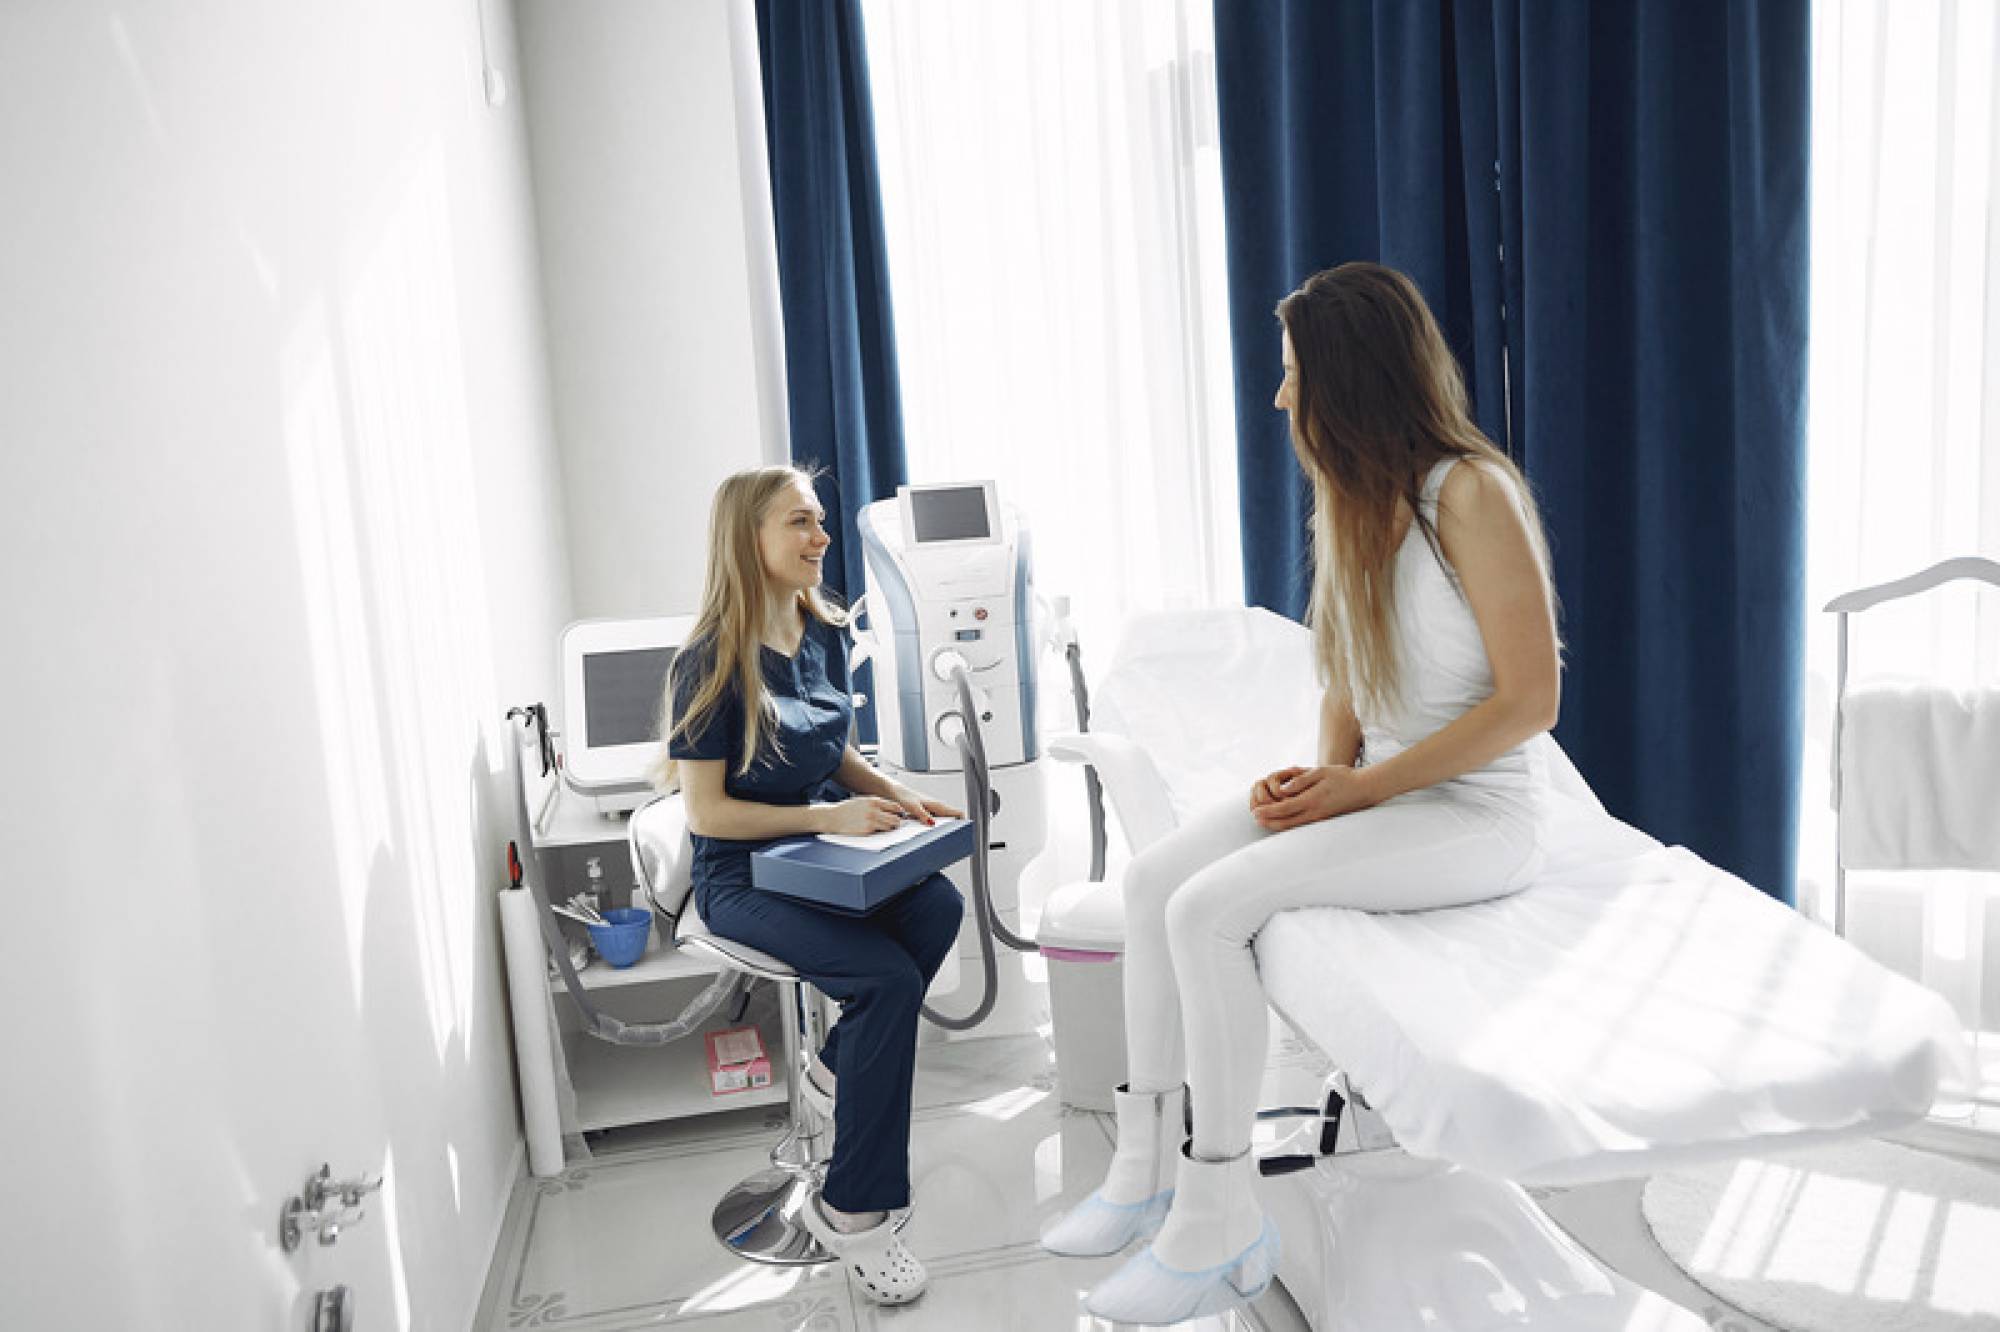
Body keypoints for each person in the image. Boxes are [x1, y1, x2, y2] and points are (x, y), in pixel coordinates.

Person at [1042, 262, 1562, 1325]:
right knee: (1151, 883)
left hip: (1477, 814)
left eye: (1292, 375)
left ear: (1349, 379)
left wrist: (1361, 788)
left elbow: (1529, 702)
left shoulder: (1470, 490)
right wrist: (1326, 771)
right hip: (1384, 791)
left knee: (1207, 908)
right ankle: (1140, 1169)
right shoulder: (1353, 498)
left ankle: (1218, 1213)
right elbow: (1345, 666)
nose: (1279, 396)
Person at [662, 465, 963, 1307]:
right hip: (743, 873)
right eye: (800, 522)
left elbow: (828, 752)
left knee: (939, 904)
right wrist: (827, 822)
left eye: (820, 521)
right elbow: (710, 814)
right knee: (885, 981)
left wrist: (893, 796)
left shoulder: (820, 627)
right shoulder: (708, 664)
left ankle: (836, 1071)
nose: (820, 537)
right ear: (748, 541)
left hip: (818, 850)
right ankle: (853, 1213)